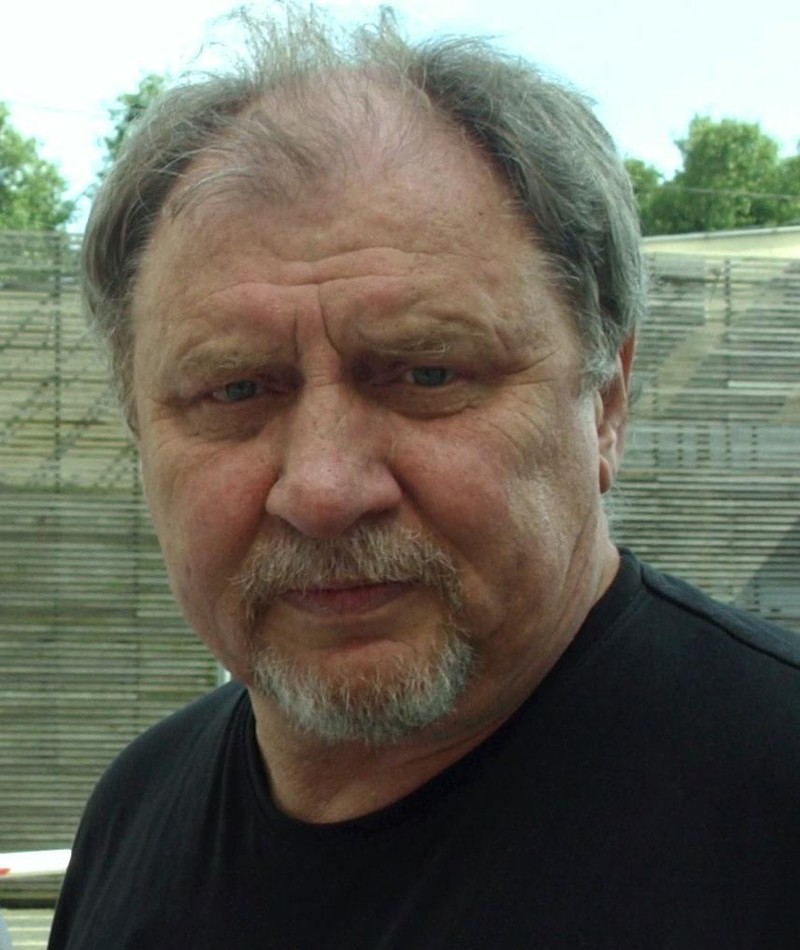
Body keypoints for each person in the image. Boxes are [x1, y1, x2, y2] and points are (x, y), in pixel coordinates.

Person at [48, 7, 800, 949]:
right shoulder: (134, 814)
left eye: (428, 374)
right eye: (236, 390)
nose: (324, 490)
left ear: (606, 399)